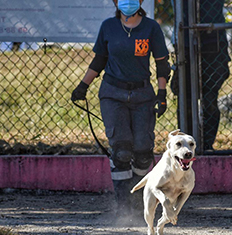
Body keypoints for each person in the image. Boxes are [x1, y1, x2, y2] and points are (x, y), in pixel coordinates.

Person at [71, 0, 170, 217]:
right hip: (112, 94)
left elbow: (162, 63)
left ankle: (139, 199)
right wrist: (82, 86)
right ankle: (124, 204)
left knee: (143, 152)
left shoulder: (151, 28)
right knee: (122, 151)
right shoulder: (108, 26)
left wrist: (161, 95)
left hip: (142, 95)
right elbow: (100, 59)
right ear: (116, 2)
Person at [171, 0, 230, 151]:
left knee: (209, 99)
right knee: (186, 100)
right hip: (185, 40)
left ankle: (206, 145)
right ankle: (186, 146)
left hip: (213, 41)